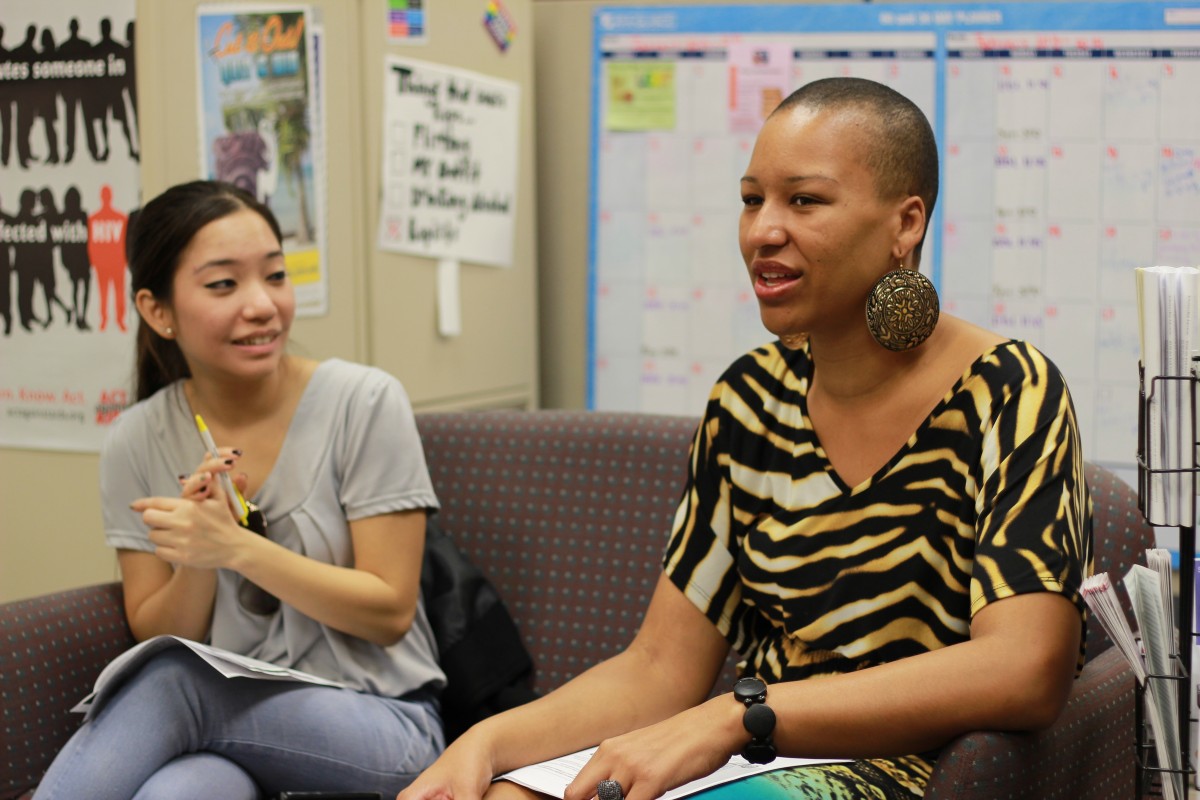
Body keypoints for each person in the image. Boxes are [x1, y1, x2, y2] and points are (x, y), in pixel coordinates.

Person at [398, 77, 1091, 800]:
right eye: (751, 198)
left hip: (904, 767)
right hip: (748, 752)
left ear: (904, 223)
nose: (762, 230)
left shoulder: (1010, 390)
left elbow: (1025, 668)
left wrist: (742, 717)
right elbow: (661, 670)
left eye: (804, 200)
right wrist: (485, 744)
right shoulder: (747, 401)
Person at [34, 180, 446, 799]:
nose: (262, 305)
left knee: (174, 681)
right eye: (223, 284)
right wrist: (199, 560)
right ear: (157, 310)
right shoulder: (135, 439)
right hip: (235, 732)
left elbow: (389, 611)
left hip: (382, 722)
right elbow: (155, 626)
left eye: (275, 276)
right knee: (174, 793)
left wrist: (235, 547)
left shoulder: (364, 401)